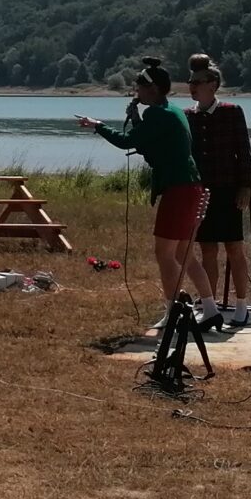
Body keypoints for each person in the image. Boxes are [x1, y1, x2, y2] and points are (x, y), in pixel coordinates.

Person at [80, 57, 206, 324]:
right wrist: (137, 120)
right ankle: (210, 307)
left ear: (153, 90)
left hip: (178, 189)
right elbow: (150, 144)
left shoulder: (157, 113)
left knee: (164, 254)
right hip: (189, 185)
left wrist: (97, 126)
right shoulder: (173, 111)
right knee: (184, 252)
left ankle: (173, 311)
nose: (136, 92)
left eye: (139, 87)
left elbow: (127, 142)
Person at [184, 55, 251, 325]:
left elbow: (244, 151)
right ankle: (209, 303)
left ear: (213, 84)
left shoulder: (231, 111)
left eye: (198, 82)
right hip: (202, 192)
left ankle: (241, 304)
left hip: (228, 189)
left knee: (235, 248)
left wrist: (245, 186)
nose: (193, 87)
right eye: (190, 82)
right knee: (208, 250)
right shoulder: (188, 115)